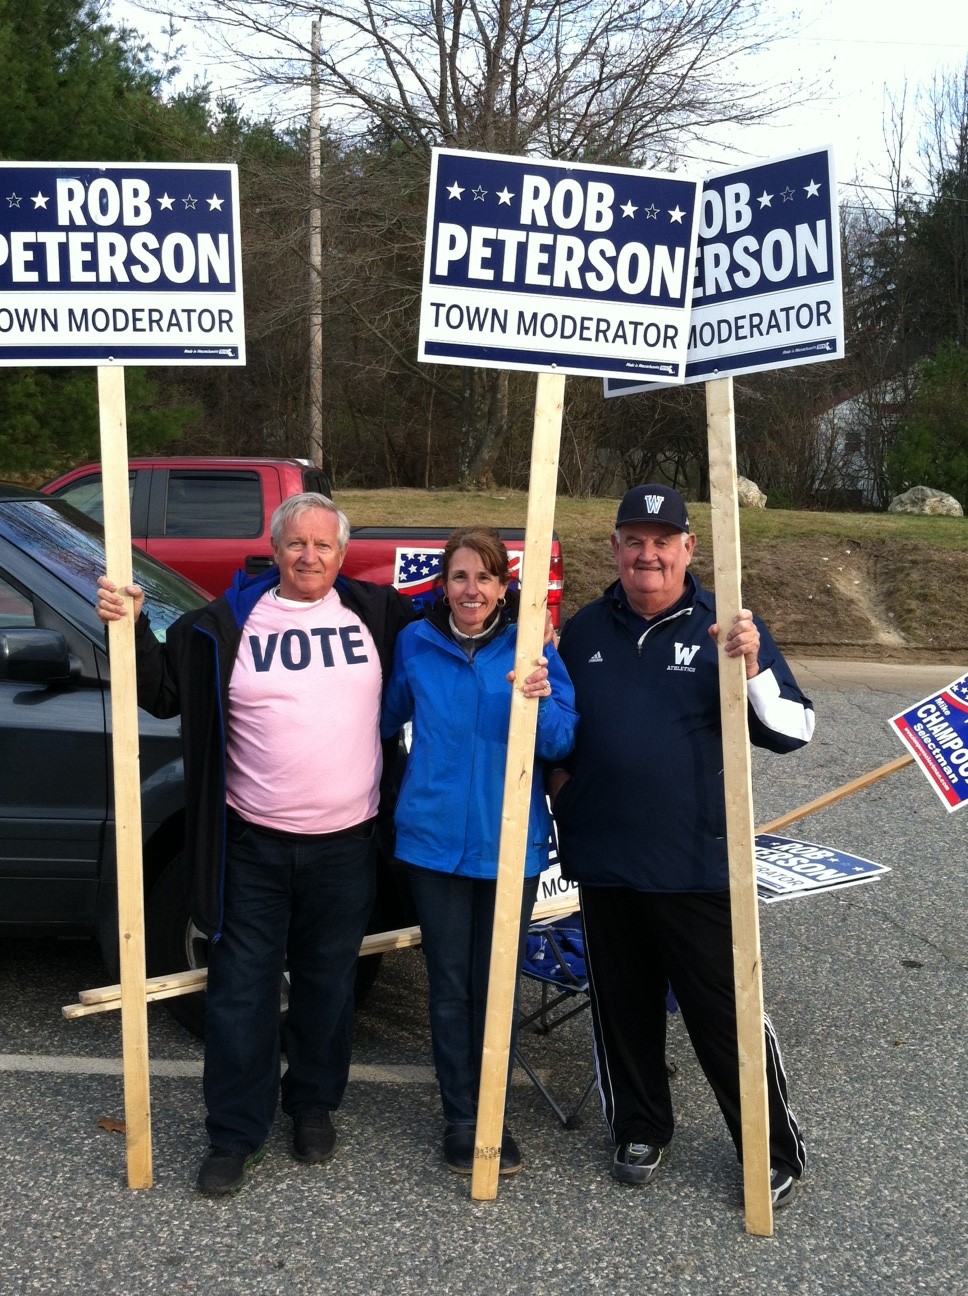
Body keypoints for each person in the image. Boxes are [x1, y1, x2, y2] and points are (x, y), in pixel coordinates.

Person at [96, 493, 416, 1196]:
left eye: (323, 545)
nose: (309, 556)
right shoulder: (224, 623)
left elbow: (463, 622)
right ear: (275, 550)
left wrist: (529, 630)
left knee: (328, 985)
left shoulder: (378, 615)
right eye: (296, 543)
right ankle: (235, 1133)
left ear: (342, 553)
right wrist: (131, 625)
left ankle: (311, 1104)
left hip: (347, 845)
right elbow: (161, 691)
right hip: (252, 846)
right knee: (241, 992)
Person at [549, 485, 815, 1211]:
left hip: (695, 864)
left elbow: (795, 732)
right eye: (634, 540)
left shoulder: (727, 629)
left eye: (663, 541)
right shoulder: (584, 630)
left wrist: (753, 670)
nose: (649, 555)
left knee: (726, 1015)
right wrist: (562, 782)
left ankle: (770, 1149)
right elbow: (558, 732)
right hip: (606, 862)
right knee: (623, 1010)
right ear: (614, 548)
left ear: (689, 549)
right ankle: (640, 1128)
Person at [380, 526, 577, 1175]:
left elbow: (562, 740)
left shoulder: (532, 648)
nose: (472, 590)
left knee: (495, 986)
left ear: (503, 587)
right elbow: (383, 718)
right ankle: (461, 1118)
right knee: (450, 985)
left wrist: (540, 701)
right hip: (432, 843)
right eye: (460, 577)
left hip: (509, 845)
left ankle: (493, 1111)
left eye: (485, 578)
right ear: (443, 585)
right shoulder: (415, 642)